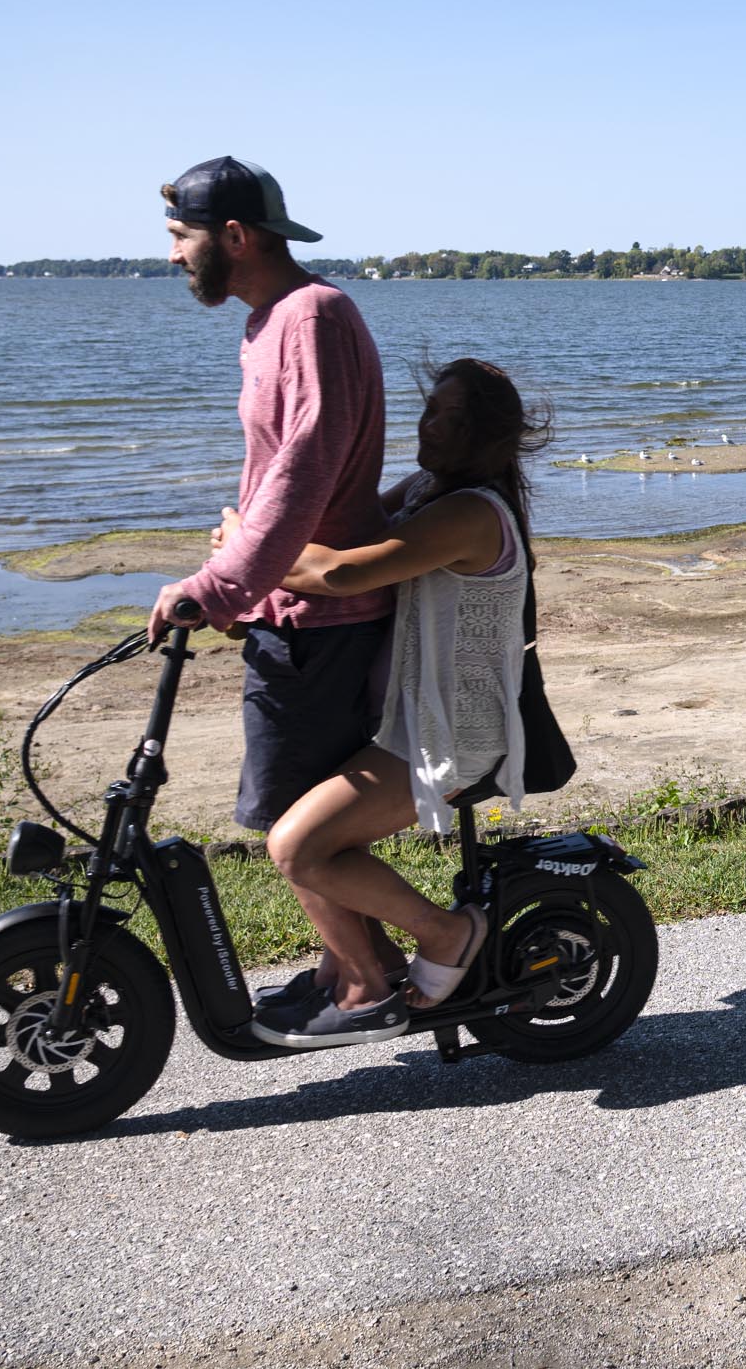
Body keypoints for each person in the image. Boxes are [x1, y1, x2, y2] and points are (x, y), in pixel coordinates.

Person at [148, 156, 401, 1001]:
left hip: (321, 621)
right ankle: (343, 966)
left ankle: (367, 980)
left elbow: (305, 472)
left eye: (182, 237)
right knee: (300, 817)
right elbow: (271, 482)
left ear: (233, 235)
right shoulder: (269, 321)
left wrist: (219, 586)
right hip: (287, 608)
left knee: (291, 823)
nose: (175, 256)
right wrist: (238, 574)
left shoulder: (314, 315)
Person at [248, 357, 548, 1047]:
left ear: (486, 436)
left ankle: (445, 933)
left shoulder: (473, 513)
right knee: (298, 815)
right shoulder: (427, 490)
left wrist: (249, 551)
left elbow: (346, 569)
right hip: (399, 722)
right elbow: (344, 540)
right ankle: (363, 962)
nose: (429, 424)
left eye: (451, 416)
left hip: (449, 735)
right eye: (429, 409)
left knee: (298, 845)